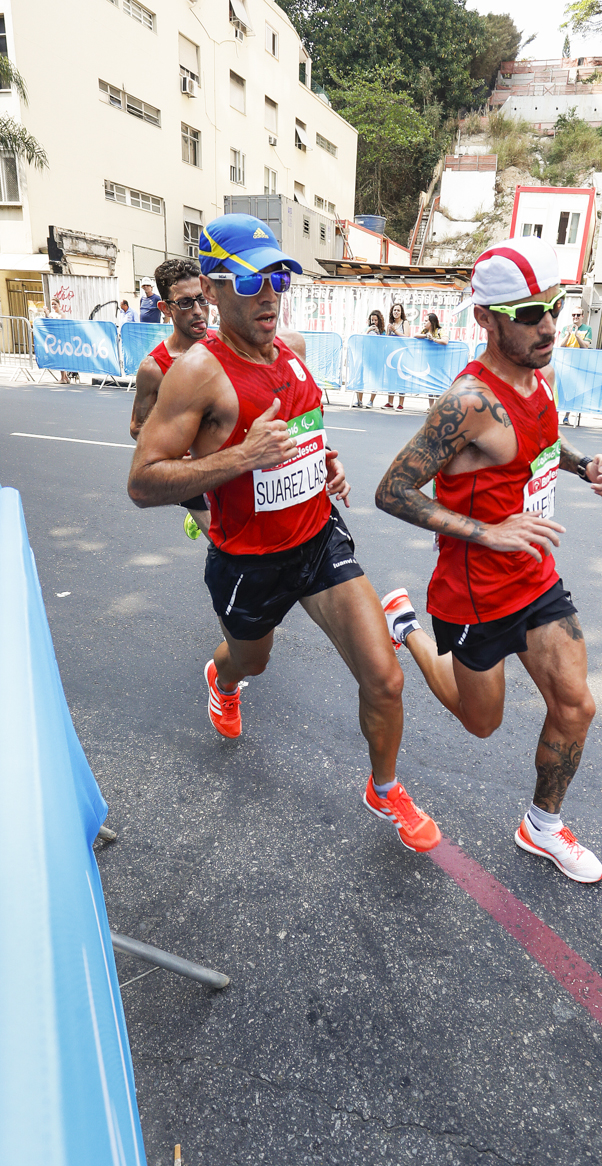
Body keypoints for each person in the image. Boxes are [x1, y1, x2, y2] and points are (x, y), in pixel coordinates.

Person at [127, 213, 440, 854]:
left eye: (279, 276)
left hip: (318, 538)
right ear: (213, 290)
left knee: (384, 677)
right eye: (250, 282)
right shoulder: (197, 373)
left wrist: (322, 459)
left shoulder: (291, 349)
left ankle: (383, 788)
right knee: (252, 661)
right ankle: (224, 680)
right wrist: (242, 457)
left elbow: (298, 428)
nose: (270, 293)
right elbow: (143, 480)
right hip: (248, 562)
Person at [375, 236, 602, 884]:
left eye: (556, 307)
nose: (548, 326)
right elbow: (392, 491)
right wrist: (486, 533)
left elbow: (541, 443)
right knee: (479, 722)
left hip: (535, 578)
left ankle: (541, 827)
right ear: (486, 318)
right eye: (530, 313)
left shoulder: (536, 376)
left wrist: (585, 465)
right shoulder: (467, 403)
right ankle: (410, 632)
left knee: (577, 705)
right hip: (474, 595)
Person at [129, 259, 214, 540]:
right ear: (165, 308)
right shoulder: (154, 368)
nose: (199, 311)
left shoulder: (225, 345)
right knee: (224, 544)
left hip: (230, 466)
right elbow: (137, 427)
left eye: (202, 298)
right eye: (186, 303)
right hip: (192, 477)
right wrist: (181, 438)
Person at [555, 304, 592, 425]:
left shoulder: (587, 329)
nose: (575, 317)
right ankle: (555, 415)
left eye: (577, 315)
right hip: (564, 364)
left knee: (572, 391)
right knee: (559, 390)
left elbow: (585, 346)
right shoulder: (567, 328)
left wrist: (576, 335)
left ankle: (567, 416)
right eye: (573, 315)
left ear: (582, 316)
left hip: (578, 366)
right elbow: (560, 345)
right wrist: (568, 335)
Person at [415, 312, 446, 408]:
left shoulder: (440, 330)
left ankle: (438, 407)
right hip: (429, 362)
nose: (424, 323)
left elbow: (445, 341)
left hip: (439, 361)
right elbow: (415, 335)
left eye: (426, 321)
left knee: (438, 385)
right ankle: (431, 407)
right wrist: (426, 336)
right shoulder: (425, 331)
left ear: (432, 322)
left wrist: (434, 339)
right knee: (430, 384)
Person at [355, 309, 384, 408]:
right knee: (360, 377)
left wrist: (378, 333)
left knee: (375, 379)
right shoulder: (366, 329)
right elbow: (361, 339)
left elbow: (384, 343)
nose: (374, 322)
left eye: (376, 320)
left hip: (377, 357)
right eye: (372, 320)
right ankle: (359, 400)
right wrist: (368, 330)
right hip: (365, 356)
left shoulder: (383, 331)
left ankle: (371, 401)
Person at [385, 302, 411, 411]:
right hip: (391, 354)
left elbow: (407, 336)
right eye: (394, 310)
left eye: (398, 310)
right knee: (391, 378)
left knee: (401, 378)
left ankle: (401, 403)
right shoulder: (390, 324)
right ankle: (390, 402)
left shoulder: (404, 323)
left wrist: (395, 331)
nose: (396, 312)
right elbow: (386, 338)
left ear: (401, 312)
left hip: (402, 354)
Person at [45, 299, 70, 383]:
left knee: (61, 357)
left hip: (61, 338)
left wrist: (49, 315)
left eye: (55, 304)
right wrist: (47, 314)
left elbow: (58, 323)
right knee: (59, 357)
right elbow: (48, 322)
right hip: (54, 338)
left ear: (59, 304)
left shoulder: (62, 314)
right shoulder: (51, 314)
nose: (54, 306)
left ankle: (63, 378)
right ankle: (65, 377)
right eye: (52, 304)